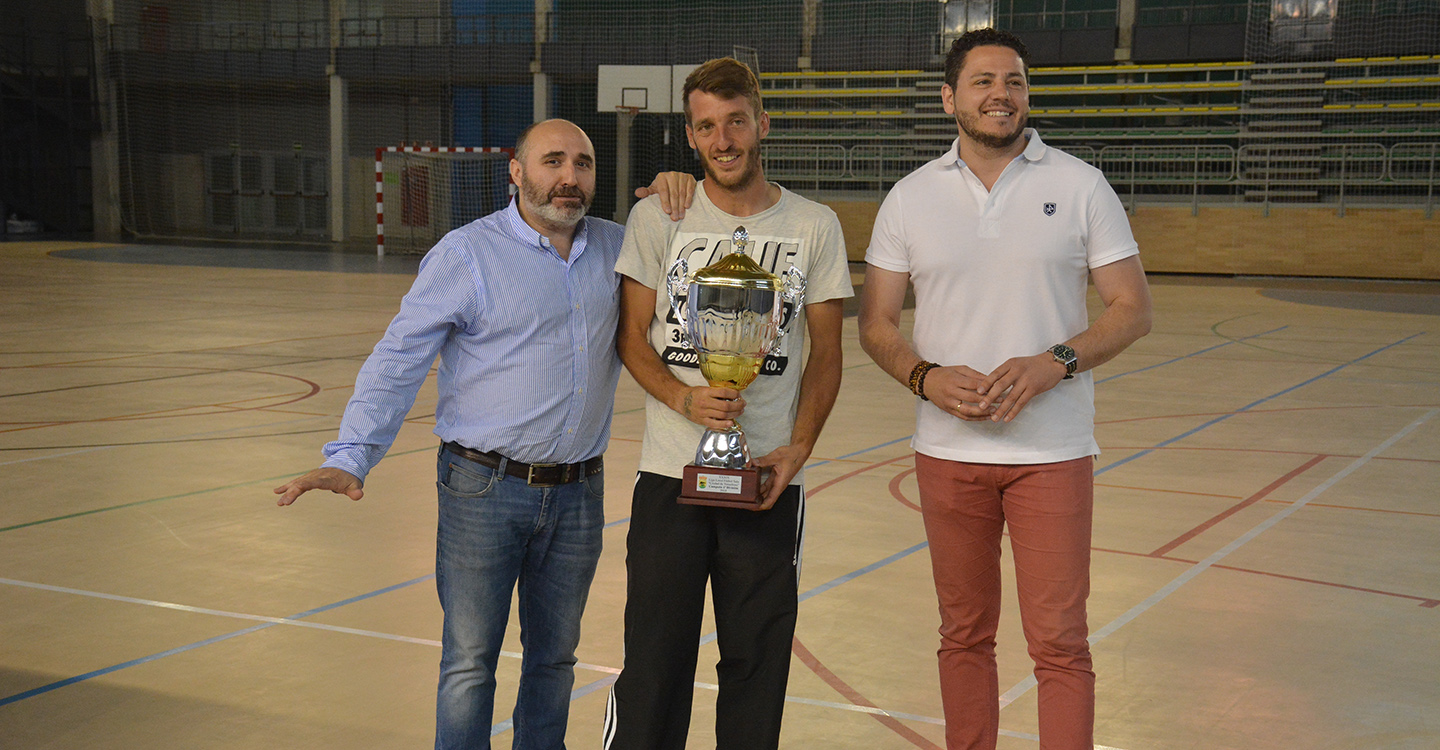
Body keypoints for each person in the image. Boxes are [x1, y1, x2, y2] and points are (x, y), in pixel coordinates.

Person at [272, 119, 694, 750]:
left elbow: (694, 232)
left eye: (582, 164)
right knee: (470, 663)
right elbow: (399, 357)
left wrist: (676, 184)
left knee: (554, 662)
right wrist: (354, 455)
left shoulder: (618, 248)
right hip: (482, 489)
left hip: (579, 494)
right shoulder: (467, 254)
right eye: (552, 162)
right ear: (517, 173)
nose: (569, 178)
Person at [857, 29, 1153, 750]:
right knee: (963, 634)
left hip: (1052, 452)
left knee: (1059, 643)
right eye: (985, 81)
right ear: (950, 97)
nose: (1001, 94)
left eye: (1014, 81)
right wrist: (926, 378)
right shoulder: (910, 197)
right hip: (947, 452)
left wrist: (1055, 361)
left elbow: (1132, 308)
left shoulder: (1079, 184)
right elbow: (875, 324)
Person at [601, 58, 854, 750]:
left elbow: (827, 355)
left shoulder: (815, 225)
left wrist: (796, 453)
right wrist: (685, 398)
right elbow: (632, 338)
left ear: (761, 124)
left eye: (736, 121)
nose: (724, 139)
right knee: (654, 660)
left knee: (757, 661)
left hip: (767, 479)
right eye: (708, 126)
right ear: (691, 137)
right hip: (668, 476)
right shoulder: (661, 216)